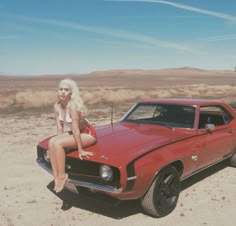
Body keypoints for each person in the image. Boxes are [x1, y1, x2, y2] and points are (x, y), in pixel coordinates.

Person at [48, 78, 97, 193]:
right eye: (61, 89)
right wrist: (58, 139)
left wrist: (81, 150)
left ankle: (62, 176)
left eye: (66, 90)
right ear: (57, 91)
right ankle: (55, 175)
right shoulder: (57, 106)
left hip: (87, 134)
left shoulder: (73, 107)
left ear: (71, 92)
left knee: (58, 144)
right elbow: (59, 127)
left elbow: (75, 130)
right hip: (75, 133)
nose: (63, 92)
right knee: (52, 142)